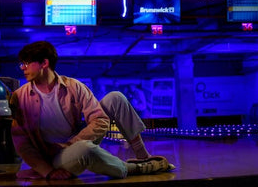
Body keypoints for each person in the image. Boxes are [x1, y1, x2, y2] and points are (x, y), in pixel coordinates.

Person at [9, 41, 173, 180]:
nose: (22, 68)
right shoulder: (19, 97)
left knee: (115, 98)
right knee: (85, 148)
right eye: (21, 64)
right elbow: (22, 143)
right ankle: (131, 168)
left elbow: (100, 120)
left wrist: (70, 144)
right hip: (53, 159)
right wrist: (48, 171)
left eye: (26, 63)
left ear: (44, 63)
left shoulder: (73, 86)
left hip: (74, 142)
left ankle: (143, 156)